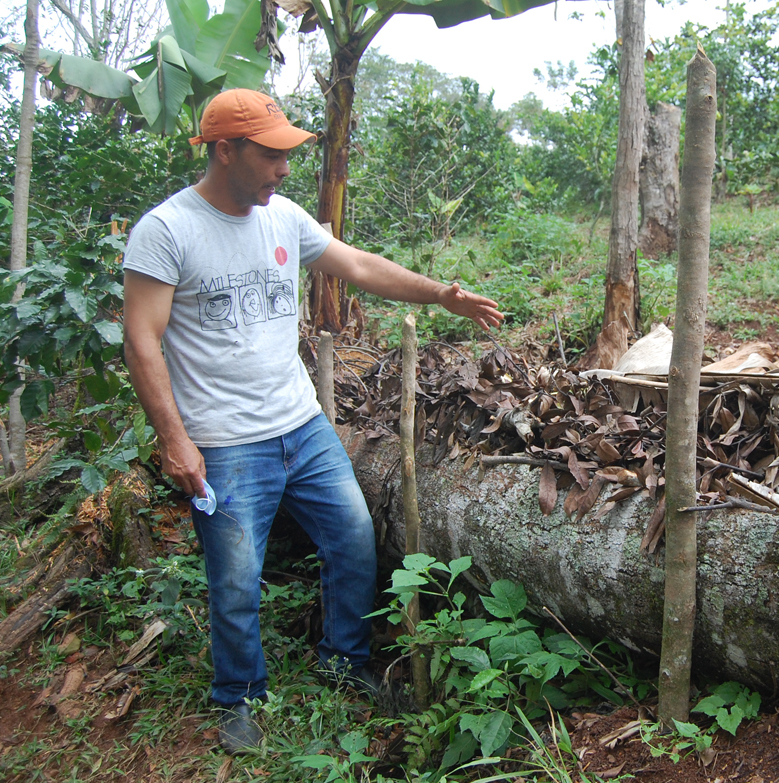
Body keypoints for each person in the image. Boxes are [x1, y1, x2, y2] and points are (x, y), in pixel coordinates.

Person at [122, 89, 503, 754]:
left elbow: (356, 265)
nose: (283, 169)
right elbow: (142, 339)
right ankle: (238, 696)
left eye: (285, 155)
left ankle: (344, 660)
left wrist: (441, 295)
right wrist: (175, 440)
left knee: (353, 535)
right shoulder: (167, 230)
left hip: (302, 424)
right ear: (225, 151)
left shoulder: (284, 219)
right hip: (225, 439)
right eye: (270, 156)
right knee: (236, 577)